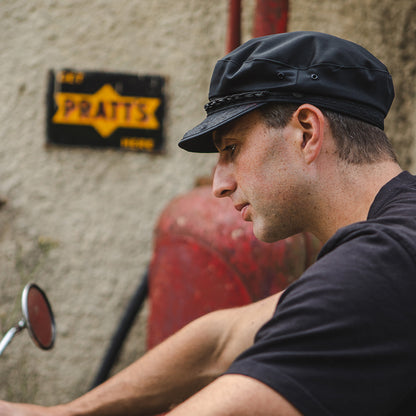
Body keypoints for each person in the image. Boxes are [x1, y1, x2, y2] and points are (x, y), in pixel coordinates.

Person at [1, 30, 415, 415]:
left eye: (232, 148)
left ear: (306, 132)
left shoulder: (382, 263)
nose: (219, 184)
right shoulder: (395, 239)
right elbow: (220, 341)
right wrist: (62, 414)